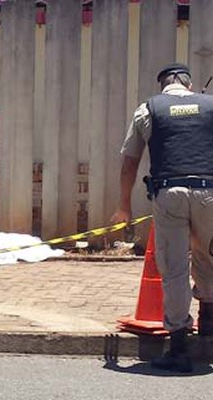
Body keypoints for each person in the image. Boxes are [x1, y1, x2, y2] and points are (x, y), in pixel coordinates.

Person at [111, 63, 213, 373]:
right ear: (189, 84)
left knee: (175, 269)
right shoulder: (211, 106)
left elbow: (130, 161)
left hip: (169, 195)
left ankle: (179, 348)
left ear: (163, 86)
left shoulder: (149, 109)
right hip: (210, 193)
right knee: (208, 259)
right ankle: (208, 329)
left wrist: (124, 206)